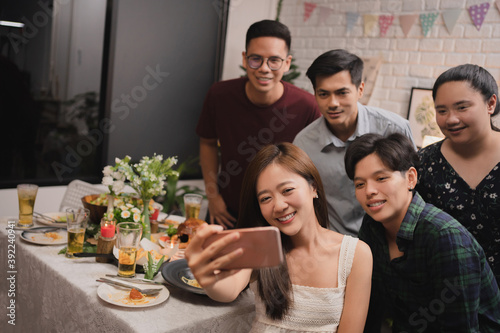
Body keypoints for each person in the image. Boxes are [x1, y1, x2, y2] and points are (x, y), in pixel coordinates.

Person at [186, 142, 372, 332]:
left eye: (287, 190)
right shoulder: (260, 246)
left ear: (313, 188)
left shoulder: (356, 254)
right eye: (266, 198)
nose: (279, 205)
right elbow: (228, 290)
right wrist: (210, 279)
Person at [344, 132, 500, 332]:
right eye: (360, 184)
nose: (369, 191)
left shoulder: (446, 237)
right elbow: (371, 305)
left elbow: (460, 328)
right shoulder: (372, 226)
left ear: (410, 178)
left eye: (381, 178)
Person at [196, 20, 320, 229]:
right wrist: (213, 197)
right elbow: (207, 143)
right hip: (226, 212)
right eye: (256, 59)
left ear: (287, 63)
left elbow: (315, 165)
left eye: (274, 61)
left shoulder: (307, 106)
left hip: (282, 217)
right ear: (245, 59)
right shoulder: (219, 95)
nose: (264, 69)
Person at [293, 49, 415, 237]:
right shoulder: (303, 144)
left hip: (393, 240)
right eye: (323, 94)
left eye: (342, 93)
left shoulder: (393, 128)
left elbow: (413, 190)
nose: (333, 103)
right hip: (337, 245)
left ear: (360, 90)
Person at [417, 64, 500, 286]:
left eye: (462, 107)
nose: (451, 119)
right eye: (442, 111)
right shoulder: (424, 163)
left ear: (490, 103)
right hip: (444, 295)